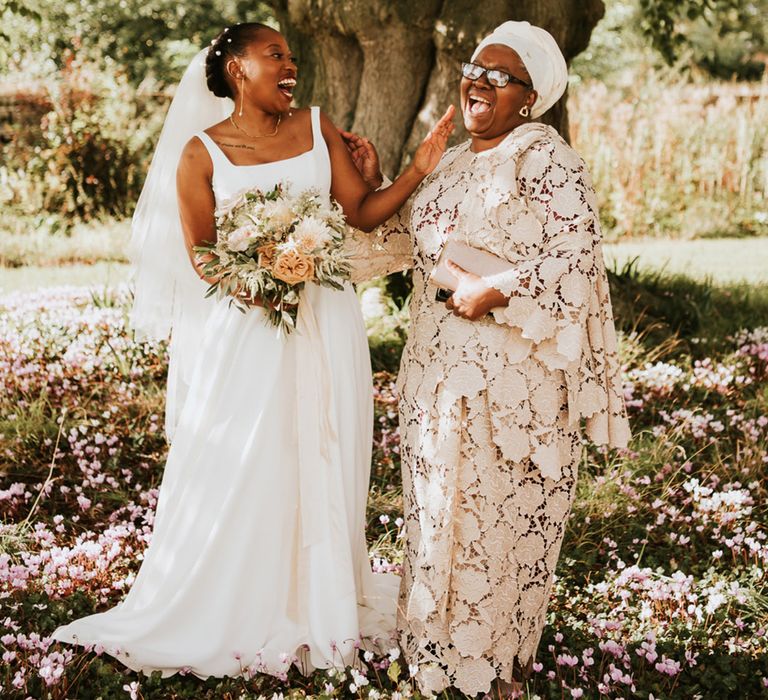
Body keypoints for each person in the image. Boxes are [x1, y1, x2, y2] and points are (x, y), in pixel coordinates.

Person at [51, 22, 454, 679]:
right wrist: (259, 283)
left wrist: (409, 170)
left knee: (327, 452)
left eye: (292, 57)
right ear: (238, 69)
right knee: (254, 461)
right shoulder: (200, 155)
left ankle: (322, 601)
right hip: (249, 332)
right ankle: (246, 602)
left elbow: (364, 213)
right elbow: (204, 257)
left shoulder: (321, 128)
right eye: (275, 55)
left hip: (327, 318)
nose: (291, 65)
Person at [343, 20, 631, 697]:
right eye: (476, 68)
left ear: (530, 98)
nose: (480, 82)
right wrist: (377, 181)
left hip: (513, 385)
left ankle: (495, 664)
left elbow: (577, 259)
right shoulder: (448, 164)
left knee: (498, 514)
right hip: (435, 378)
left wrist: (492, 288)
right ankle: (438, 657)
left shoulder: (544, 156)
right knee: (440, 511)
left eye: (502, 77)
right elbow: (404, 243)